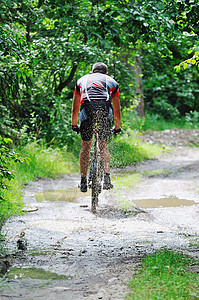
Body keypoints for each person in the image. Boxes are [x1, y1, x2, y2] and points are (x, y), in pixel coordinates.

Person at [71, 62, 121, 192]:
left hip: (87, 111)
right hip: (104, 110)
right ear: (106, 73)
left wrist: (74, 124)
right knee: (103, 144)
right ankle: (107, 178)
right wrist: (117, 127)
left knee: (85, 146)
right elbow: (117, 109)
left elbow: (75, 107)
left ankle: (83, 181)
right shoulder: (112, 81)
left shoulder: (81, 80)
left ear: (92, 71)